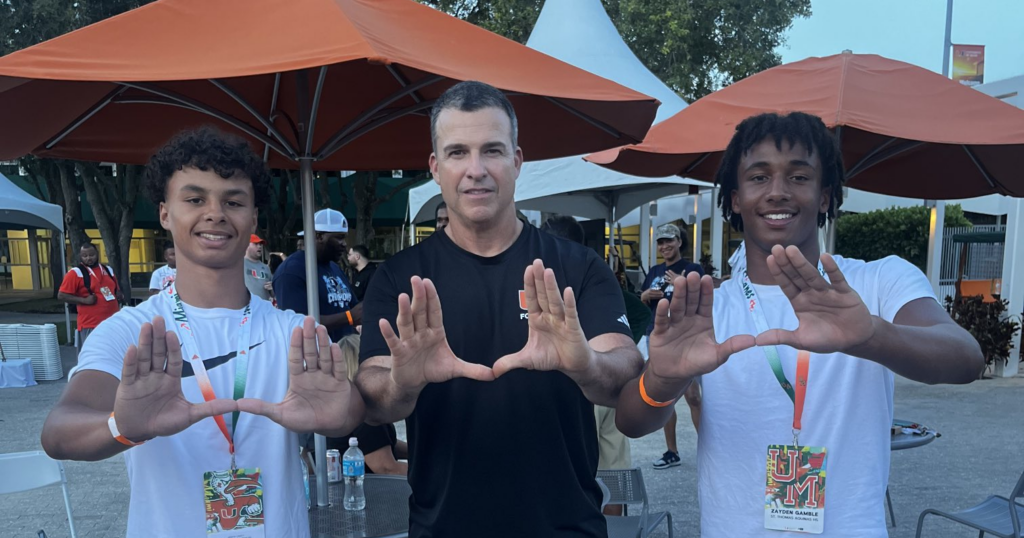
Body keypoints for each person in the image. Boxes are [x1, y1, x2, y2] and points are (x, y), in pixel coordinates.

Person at [615, 111, 984, 537]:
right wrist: (662, 378)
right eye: (758, 177)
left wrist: (871, 336)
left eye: (799, 177)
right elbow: (632, 421)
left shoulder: (878, 280)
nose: (777, 192)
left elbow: (965, 359)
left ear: (825, 196)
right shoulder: (706, 307)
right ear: (734, 198)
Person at [40, 127, 365, 538]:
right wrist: (122, 426)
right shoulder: (133, 331)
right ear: (164, 213)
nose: (215, 213)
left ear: (253, 218)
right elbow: (58, 432)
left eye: (233, 201)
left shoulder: (294, 331)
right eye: (195, 199)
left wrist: (340, 416)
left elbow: (349, 412)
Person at [355, 81, 643, 538]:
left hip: (567, 527)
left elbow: (626, 368)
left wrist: (586, 365)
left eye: (492, 150)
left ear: (517, 160)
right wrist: (400, 383)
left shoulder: (577, 265)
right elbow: (371, 396)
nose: (476, 170)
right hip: (443, 527)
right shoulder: (400, 278)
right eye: (457, 153)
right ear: (435, 167)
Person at [540, 215, 647, 518]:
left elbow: (638, 312)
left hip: (570, 383)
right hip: (606, 377)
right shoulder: (595, 277)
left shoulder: (538, 283)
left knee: (563, 469)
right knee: (613, 469)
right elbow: (638, 311)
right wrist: (621, 343)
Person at [638, 222, 703, 470]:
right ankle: (671, 451)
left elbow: (701, 298)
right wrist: (644, 297)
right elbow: (644, 300)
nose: (665, 246)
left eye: (669, 241)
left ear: (679, 242)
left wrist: (681, 284)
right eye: (661, 242)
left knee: (693, 395)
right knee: (664, 398)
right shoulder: (654, 271)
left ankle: (706, 451)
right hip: (655, 337)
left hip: (684, 338)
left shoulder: (691, 269)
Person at [317, 334, 408, 476]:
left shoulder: (343, 407)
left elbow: (382, 444)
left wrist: (420, 453)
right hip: (369, 493)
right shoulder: (364, 415)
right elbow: (387, 468)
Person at [272, 209, 362, 342]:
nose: (344, 244)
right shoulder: (291, 271)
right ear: (319, 236)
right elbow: (297, 323)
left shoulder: (334, 268)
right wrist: (349, 317)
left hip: (345, 355)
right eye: (339, 237)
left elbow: (353, 307)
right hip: (315, 358)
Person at [58, 242, 122, 348]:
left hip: (112, 323)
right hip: (90, 324)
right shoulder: (75, 273)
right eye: (85, 256)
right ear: (80, 257)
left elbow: (114, 289)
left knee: (112, 355)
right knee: (92, 357)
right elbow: (61, 295)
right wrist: (84, 300)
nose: (89, 258)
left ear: (97, 254)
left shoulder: (108, 270)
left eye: (91, 255)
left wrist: (119, 294)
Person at [244, 234, 274, 302]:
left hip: (263, 309)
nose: (259, 246)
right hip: (246, 309)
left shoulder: (266, 268)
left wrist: (272, 288)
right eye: (256, 244)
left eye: (260, 244)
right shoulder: (238, 265)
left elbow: (274, 294)